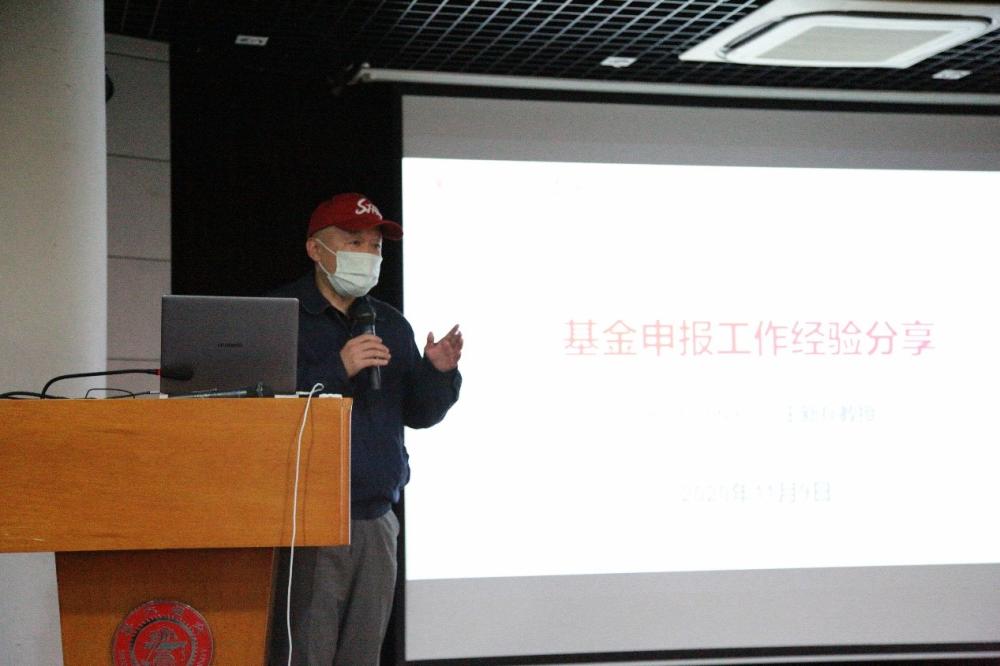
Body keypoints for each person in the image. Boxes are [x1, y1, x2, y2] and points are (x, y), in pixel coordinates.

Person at [268, 193, 462, 665]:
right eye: (354, 242)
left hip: (377, 520)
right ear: (316, 249)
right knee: (307, 652)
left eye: (375, 246)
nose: (368, 254)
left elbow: (418, 413)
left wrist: (437, 373)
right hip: (307, 523)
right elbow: (261, 408)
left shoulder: (389, 323)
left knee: (363, 654)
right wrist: (336, 370)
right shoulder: (280, 316)